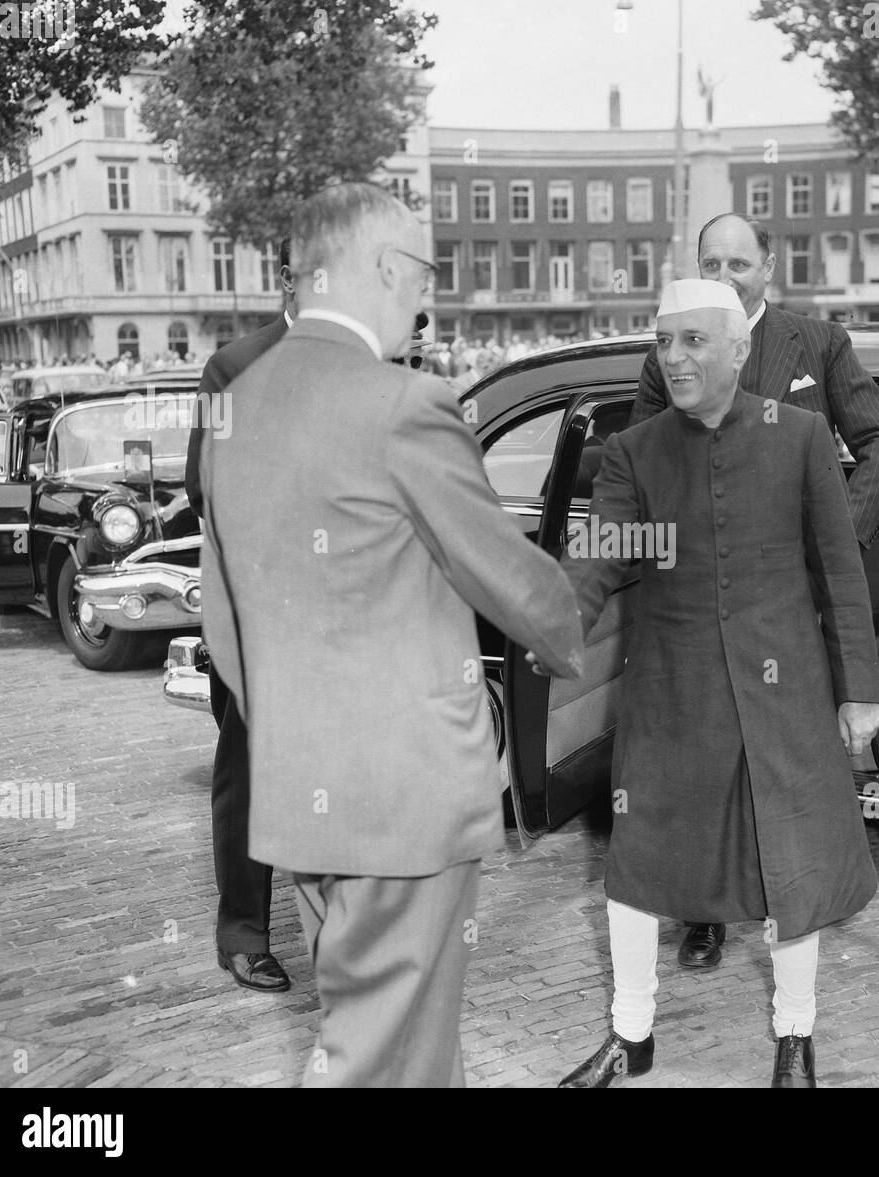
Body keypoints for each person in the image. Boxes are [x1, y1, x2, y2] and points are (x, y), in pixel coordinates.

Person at [199, 183, 584, 1087]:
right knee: (376, 1060)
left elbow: (223, 617)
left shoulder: (234, 402)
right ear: (379, 266)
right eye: (423, 271)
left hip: (304, 797)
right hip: (403, 805)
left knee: (404, 1043)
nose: (425, 294)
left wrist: (296, 731)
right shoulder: (403, 403)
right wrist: (585, 620)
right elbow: (513, 579)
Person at [544, 279, 879, 1088]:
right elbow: (601, 554)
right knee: (636, 864)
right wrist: (550, 618)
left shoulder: (800, 436)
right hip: (672, 694)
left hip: (785, 693)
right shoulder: (635, 451)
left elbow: (840, 570)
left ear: (739, 349)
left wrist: (858, 687)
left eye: (695, 340)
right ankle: (631, 1035)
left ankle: (795, 1037)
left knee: (792, 865)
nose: (676, 356)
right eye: (664, 342)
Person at [629, 213, 879, 970]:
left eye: (738, 264)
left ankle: (794, 905)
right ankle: (705, 912)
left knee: (784, 760)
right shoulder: (669, 361)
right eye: (709, 263)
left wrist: (834, 537)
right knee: (705, 761)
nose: (723, 277)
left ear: (768, 268)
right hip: (703, 603)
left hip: (788, 608)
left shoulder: (817, 344)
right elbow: (641, 472)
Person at [186, 239, 296, 994]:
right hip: (256, 606)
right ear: (291, 278)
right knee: (249, 769)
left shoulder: (376, 363)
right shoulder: (234, 365)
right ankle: (244, 933)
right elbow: (205, 484)